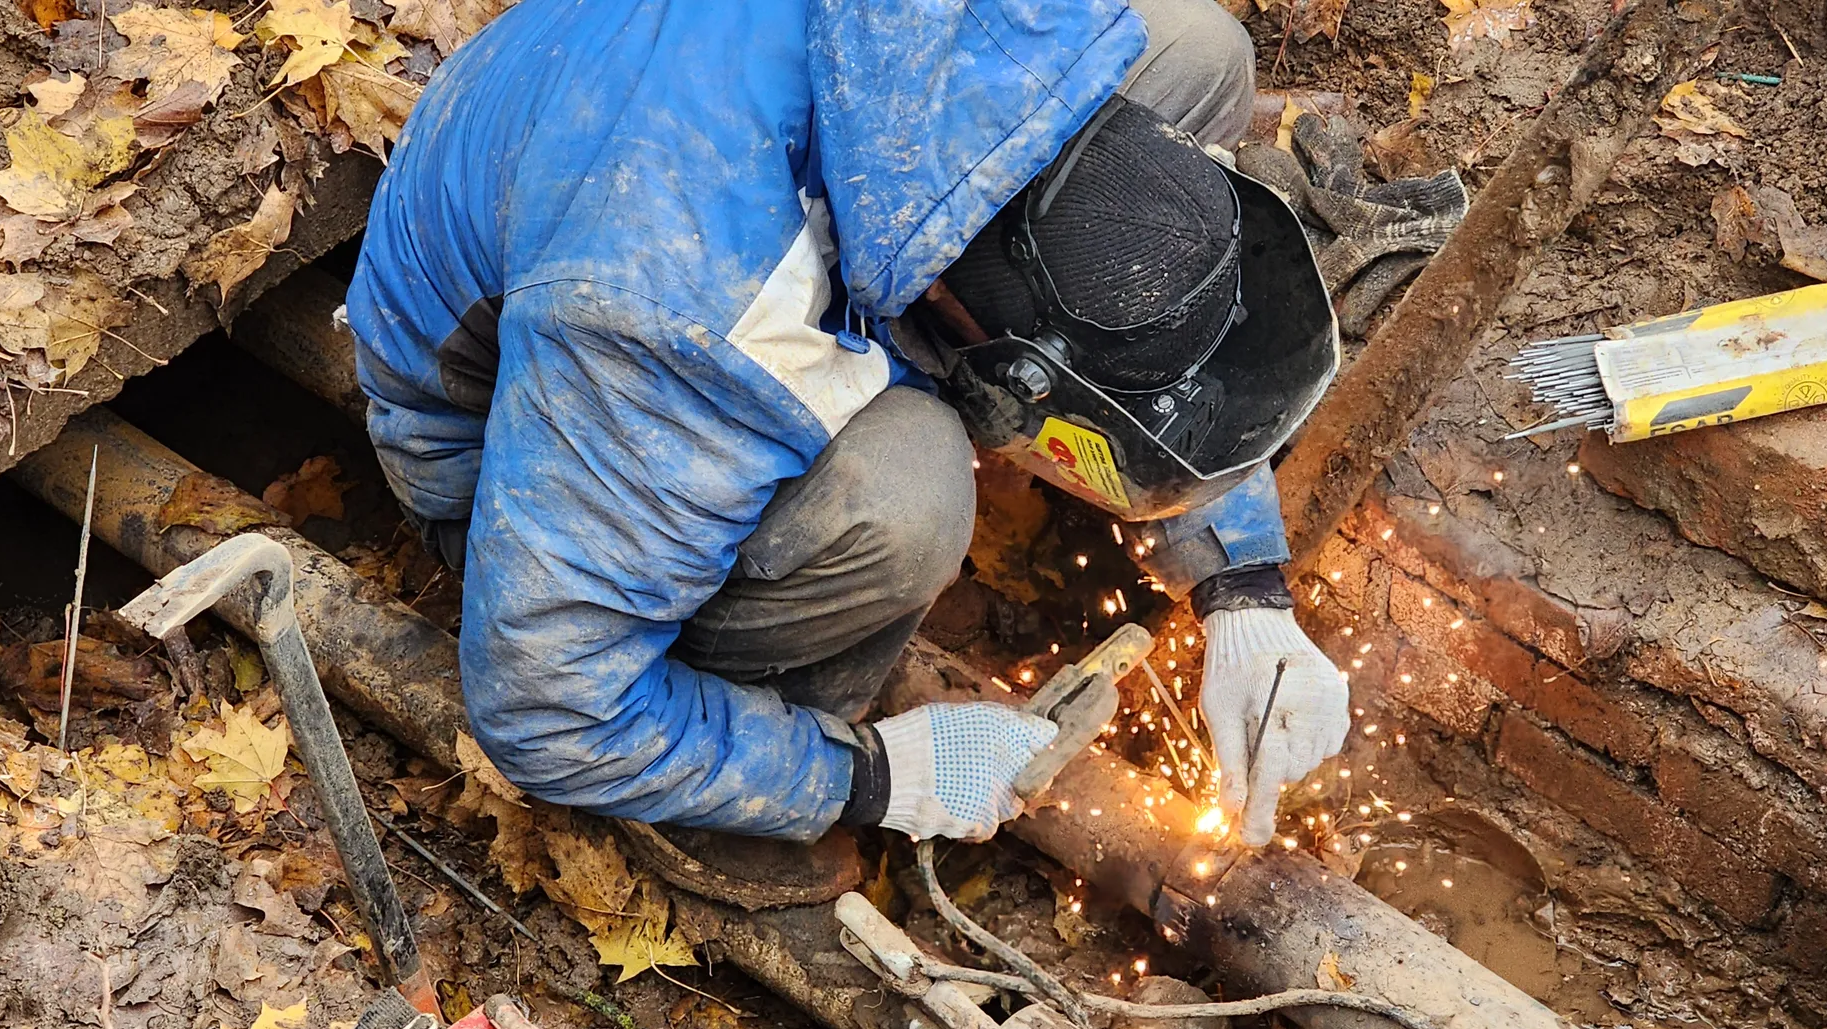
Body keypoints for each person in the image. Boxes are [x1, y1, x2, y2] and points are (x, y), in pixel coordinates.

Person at [347, 0, 1349, 849]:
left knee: (1193, 51)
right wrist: (868, 777)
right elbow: (546, 706)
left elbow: (1130, 264)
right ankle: (755, 739)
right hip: (541, 410)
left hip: (638, 114)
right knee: (910, 494)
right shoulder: (676, 327)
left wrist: (1244, 586)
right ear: (1004, 360)